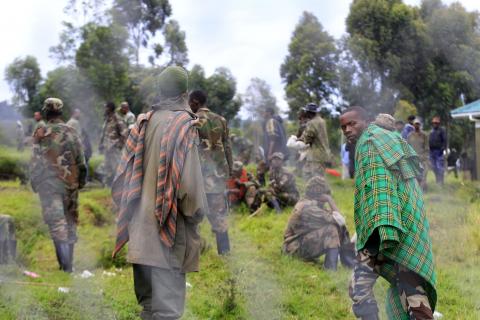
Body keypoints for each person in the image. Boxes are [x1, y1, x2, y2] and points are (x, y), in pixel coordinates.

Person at [112, 66, 207, 320]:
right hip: (169, 231)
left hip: (140, 230)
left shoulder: (143, 122)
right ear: (184, 94)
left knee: (149, 307)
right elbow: (191, 191)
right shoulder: (184, 126)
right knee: (167, 310)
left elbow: (123, 176)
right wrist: (197, 216)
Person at [340, 106, 436, 320]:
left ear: (365, 121)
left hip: (385, 229)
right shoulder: (389, 138)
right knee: (411, 288)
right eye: (343, 126)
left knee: (359, 287)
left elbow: (380, 190)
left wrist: (379, 234)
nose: (346, 129)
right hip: (408, 224)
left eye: (351, 123)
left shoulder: (369, 143)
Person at [30, 98, 86, 273]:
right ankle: (69, 265)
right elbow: (82, 161)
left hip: (49, 185)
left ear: (46, 112)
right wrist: (80, 182)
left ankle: (64, 266)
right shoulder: (72, 131)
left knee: (56, 223)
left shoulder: (41, 132)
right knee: (70, 222)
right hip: (70, 183)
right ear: (61, 112)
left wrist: (34, 182)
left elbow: (35, 161)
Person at [189, 89, 233, 255]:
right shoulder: (221, 120)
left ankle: (192, 253)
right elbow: (227, 146)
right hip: (218, 178)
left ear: (195, 102)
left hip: (198, 179)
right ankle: (225, 253)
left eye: (189, 102)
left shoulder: (193, 121)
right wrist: (230, 170)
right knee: (219, 217)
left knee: (191, 218)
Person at [282, 176, 356, 270]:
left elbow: (340, 223)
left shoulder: (312, 203)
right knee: (331, 229)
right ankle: (331, 269)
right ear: (319, 194)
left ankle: (350, 264)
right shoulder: (308, 207)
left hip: (301, 242)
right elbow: (340, 220)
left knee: (340, 228)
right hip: (293, 249)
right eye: (325, 194)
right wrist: (330, 201)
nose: (327, 196)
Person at [298, 103, 332, 179]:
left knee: (317, 179)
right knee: (311, 174)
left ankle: (319, 190)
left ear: (309, 113)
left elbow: (307, 139)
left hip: (315, 156)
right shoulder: (322, 121)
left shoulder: (312, 123)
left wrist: (300, 139)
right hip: (323, 154)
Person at [99, 101, 128, 187]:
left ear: (109, 108)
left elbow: (124, 133)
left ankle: (121, 185)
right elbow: (104, 133)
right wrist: (101, 144)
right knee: (107, 167)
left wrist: (118, 146)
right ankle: (107, 185)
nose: (104, 109)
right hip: (107, 148)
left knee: (117, 167)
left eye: (105, 107)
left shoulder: (117, 118)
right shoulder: (107, 119)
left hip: (114, 149)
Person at [407, 118, 429, 190]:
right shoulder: (410, 135)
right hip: (413, 158)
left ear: (420, 125)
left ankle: (423, 189)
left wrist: (425, 157)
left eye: (418, 124)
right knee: (414, 175)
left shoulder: (424, 135)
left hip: (422, 158)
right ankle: (415, 189)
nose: (417, 125)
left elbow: (426, 147)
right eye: (415, 124)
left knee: (423, 175)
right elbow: (408, 147)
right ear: (413, 125)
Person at [429, 116, 447, 185]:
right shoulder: (431, 131)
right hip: (431, 151)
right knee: (433, 167)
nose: (435, 124)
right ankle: (437, 180)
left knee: (439, 167)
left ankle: (441, 182)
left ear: (439, 123)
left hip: (439, 151)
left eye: (436, 123)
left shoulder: (442, 130)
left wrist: (443, 148)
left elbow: (444, 140)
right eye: (434, 123)